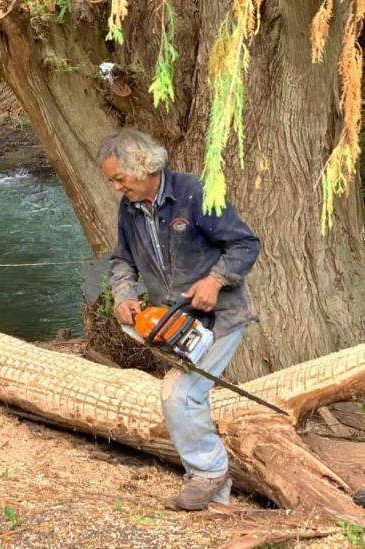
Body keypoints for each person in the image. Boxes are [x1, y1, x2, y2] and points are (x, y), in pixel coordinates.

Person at [97, 128, 260, 511]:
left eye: (120, 178)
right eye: (112, 181)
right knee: (188, 395)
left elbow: (246, 244)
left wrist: (216, 279)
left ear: (144, 164)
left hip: (220, 317)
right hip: (172, 324)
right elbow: (122, 260)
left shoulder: (194, 193)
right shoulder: (130, 208)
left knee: (180, 393)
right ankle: (218, 503)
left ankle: (208, 472)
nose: (117, 187)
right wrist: (123, 294)